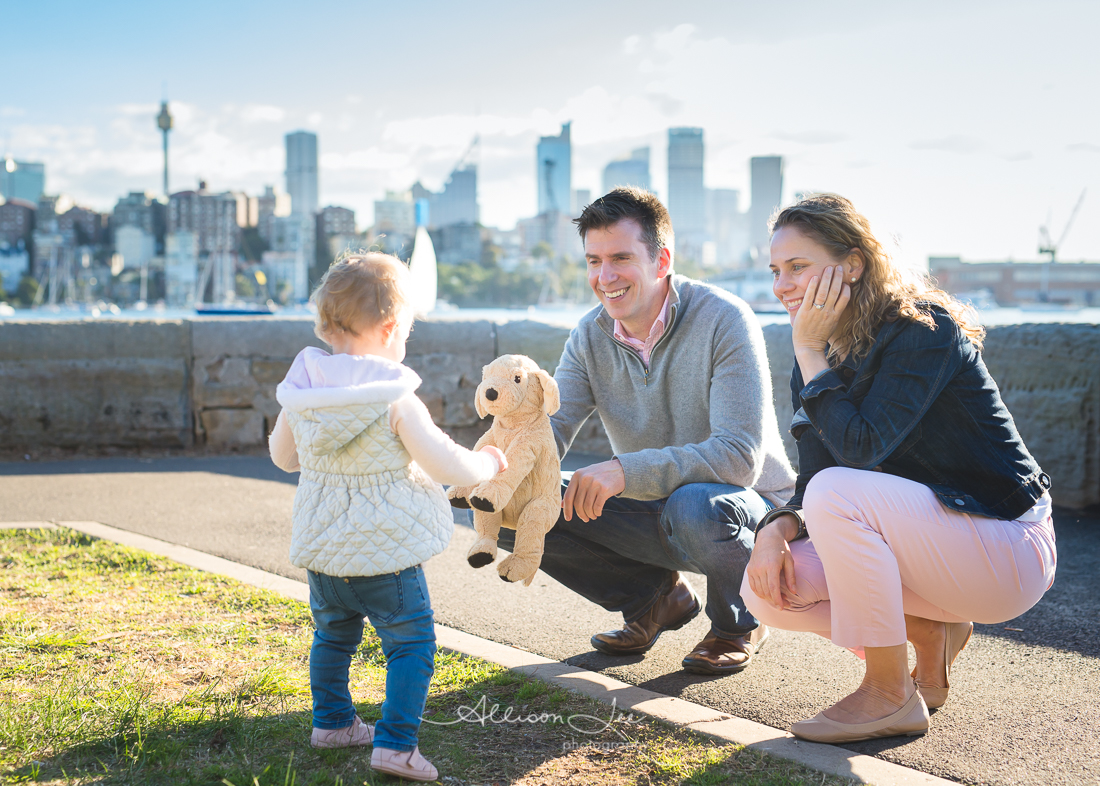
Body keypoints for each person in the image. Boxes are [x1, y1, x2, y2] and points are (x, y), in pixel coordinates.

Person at [744, 194, 1056, 743]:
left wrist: (810, 352)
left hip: (1007, 545)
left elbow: (860, 450)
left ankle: (887, 693)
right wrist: (775, 530)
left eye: (798, 267)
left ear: (854, 264)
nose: (781, 286)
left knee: (841, 493)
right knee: (767, 587)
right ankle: (929, 632)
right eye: (775, 271)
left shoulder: (922, 330)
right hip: (931, 548)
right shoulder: (819, 352)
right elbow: (814, 484)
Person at [497, 187, 797, 674]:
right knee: (513, 499)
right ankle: (655, 599)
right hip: (651, 511)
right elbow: (547, 435)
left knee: (695, 503)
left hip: (747, 512)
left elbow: (739, 458)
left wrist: (622, 470)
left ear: (662, 261)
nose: (604, 277)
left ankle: (738, 622)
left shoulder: (724, 319)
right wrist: (491, 468)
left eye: (620, 258)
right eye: (594, 260)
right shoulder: (589, 336)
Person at [269, 253, 507, 782]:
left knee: (332, 638)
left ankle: (332, 723)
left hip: (325, 555)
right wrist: (488, 462)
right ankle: (396, 745)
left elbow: (284, 458)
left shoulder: (304, 390)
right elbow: (444, 461)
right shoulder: (395, 395)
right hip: (386, 555)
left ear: (327, 323)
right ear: (392, 327)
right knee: (411, 645)